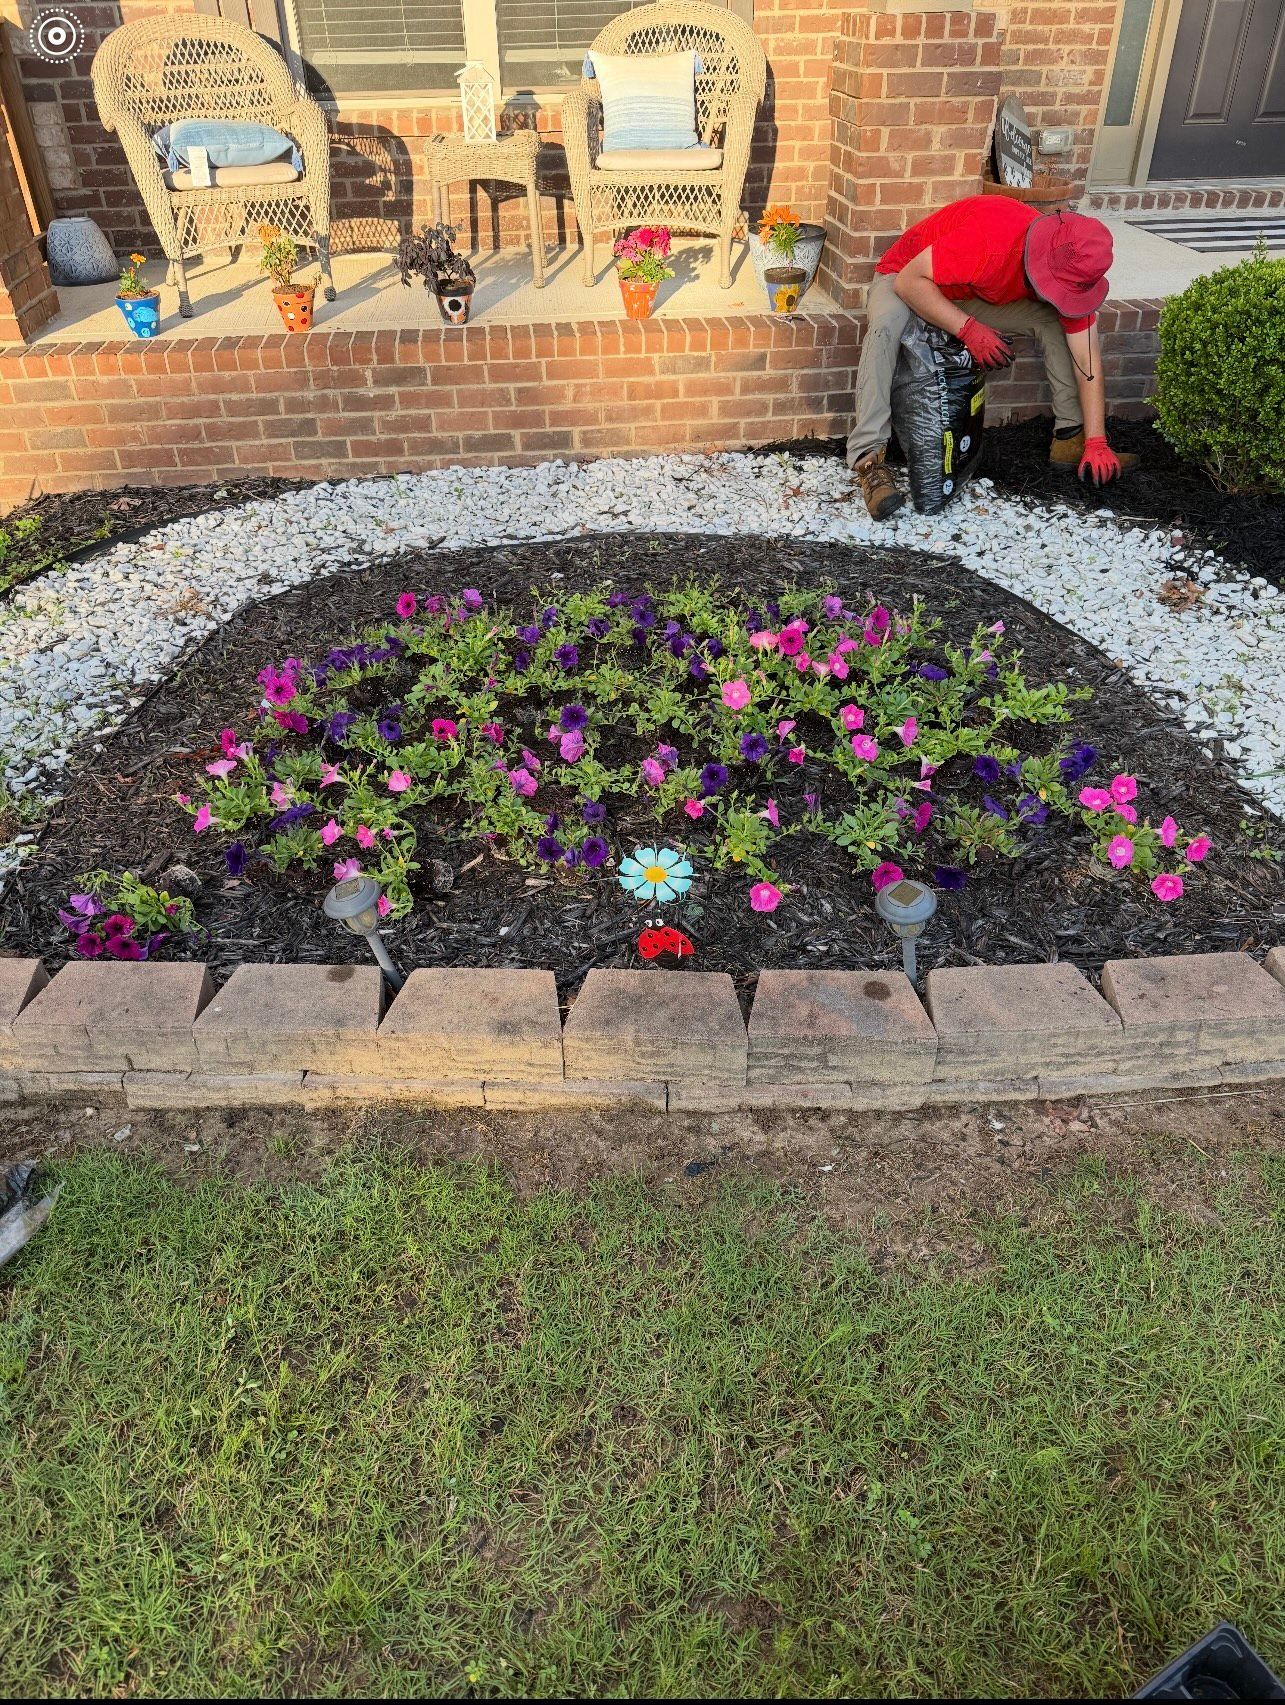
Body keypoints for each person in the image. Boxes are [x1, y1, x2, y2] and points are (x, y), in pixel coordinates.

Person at [847, 195, 1138, 521]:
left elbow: (1088, 359)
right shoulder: (990, 239)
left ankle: (1070, 439)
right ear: (1042, 263)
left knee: (1054, 322)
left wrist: (1097, 439)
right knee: (885, 327)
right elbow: (908, 282)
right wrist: (969, 330)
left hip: (966, 293)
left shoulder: (1075, 273)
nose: (1062, 296)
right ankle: (868, 458)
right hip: (906, 279)